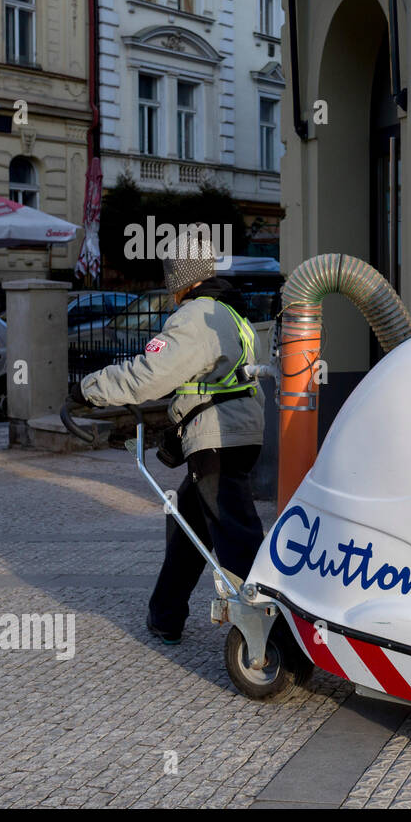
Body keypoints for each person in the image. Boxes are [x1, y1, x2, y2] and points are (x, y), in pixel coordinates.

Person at [70, 232, 265, 644]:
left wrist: (89, 388)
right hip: (240, 431)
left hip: (217, 437)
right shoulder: (232, 314)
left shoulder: (195, 316)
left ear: (181, 277)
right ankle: (166, 614)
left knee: (235, 534)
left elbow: (148, 375)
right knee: (188, 524)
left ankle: (268, 626)